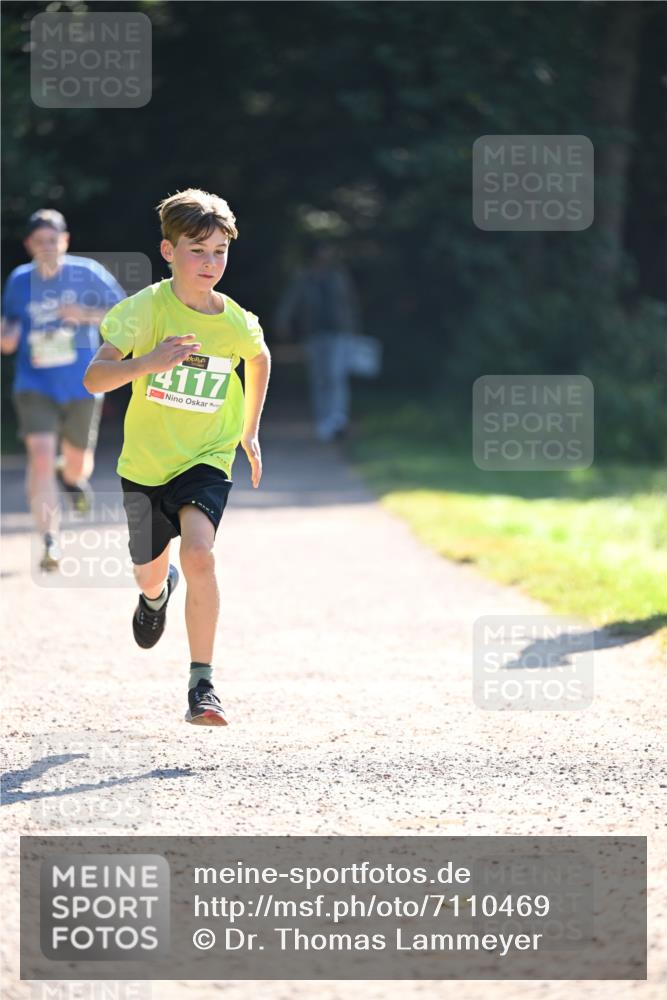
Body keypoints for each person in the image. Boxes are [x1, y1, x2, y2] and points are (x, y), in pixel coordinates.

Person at [83, 188, 271, 727]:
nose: (210, 263)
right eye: (197, 251)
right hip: (145, 465)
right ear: (169, 252)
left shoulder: (234, 320)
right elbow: (95, 378)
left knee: (200, 554)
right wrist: (150, 361)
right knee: (148, 573)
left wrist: (249, 430)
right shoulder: (142, 311)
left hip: (207, 457)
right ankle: (156, 594)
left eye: (219, 252)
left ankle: (202, 684)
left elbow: (258, 359)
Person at [1, 209, 125, 570]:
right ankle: (49, 541)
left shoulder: (87, 273)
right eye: (39, 242)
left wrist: (84, 314)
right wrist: (7, 335)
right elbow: (10, 322)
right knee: (40, 456)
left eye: (53, 241)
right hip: (34, 381)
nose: (47, 248)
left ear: (65, 241)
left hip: (82, 383)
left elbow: (125, 314)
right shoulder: (19, 280)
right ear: (29, 245)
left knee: (77, 466)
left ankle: (69, 479)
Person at [275, 242, 361, 442]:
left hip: (339, 333)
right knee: (319, 377)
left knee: (335, 375)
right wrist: (283, 321)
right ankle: (323, 420)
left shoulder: (339, 276)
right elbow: (291, 300)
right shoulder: (305, 277)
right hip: (314, 334)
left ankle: (338, 418)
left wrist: (354, 331)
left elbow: (350, 304)